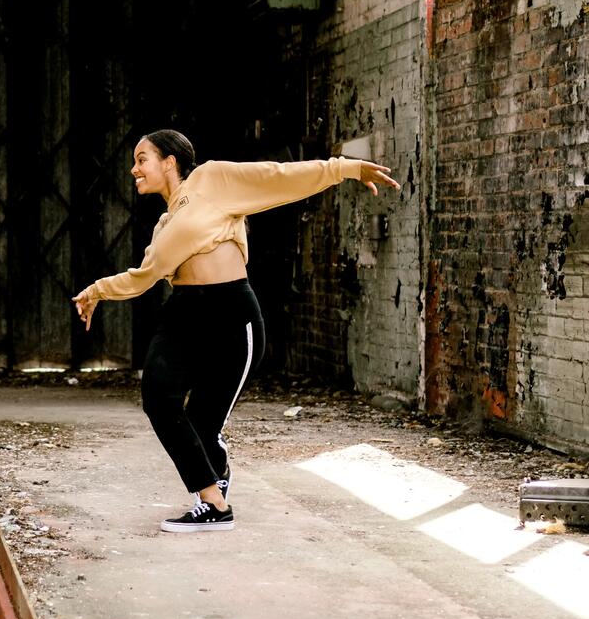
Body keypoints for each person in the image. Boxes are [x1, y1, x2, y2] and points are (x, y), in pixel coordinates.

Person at [73, 129, 399, 533]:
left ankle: (213, 497)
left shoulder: (211, 181)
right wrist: (96, 291)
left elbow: (276, 176)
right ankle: (213, 498)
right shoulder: (164, 225)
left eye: (142, 159)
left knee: (202, 424)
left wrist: (343, 168)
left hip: (230, 313)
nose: (133, 169)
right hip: (184, 313)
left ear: (170, 162)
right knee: (158, 396)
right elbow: (143, 277)